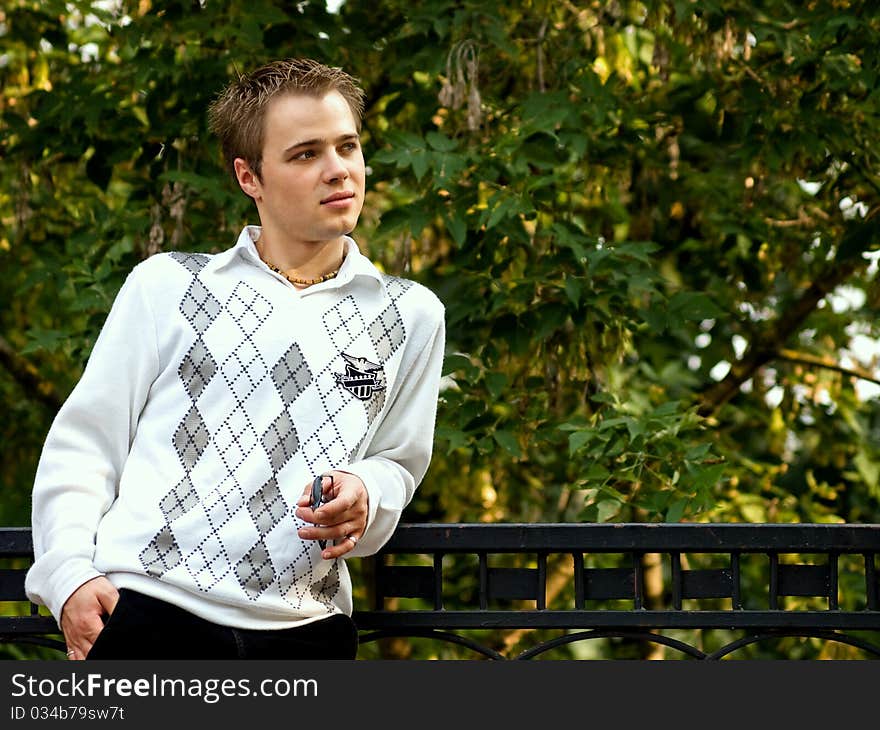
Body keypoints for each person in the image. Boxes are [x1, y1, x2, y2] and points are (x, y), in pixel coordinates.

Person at [24, 58, 446, 660]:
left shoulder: (410, 313)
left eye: (347, 146)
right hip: (150, 614)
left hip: (309, 631)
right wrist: (68, 577)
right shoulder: (167, 286)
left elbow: (398, 464)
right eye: (305, 155)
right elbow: (85, 446)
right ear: (250, 176)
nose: (338, 171)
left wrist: (366, 492)